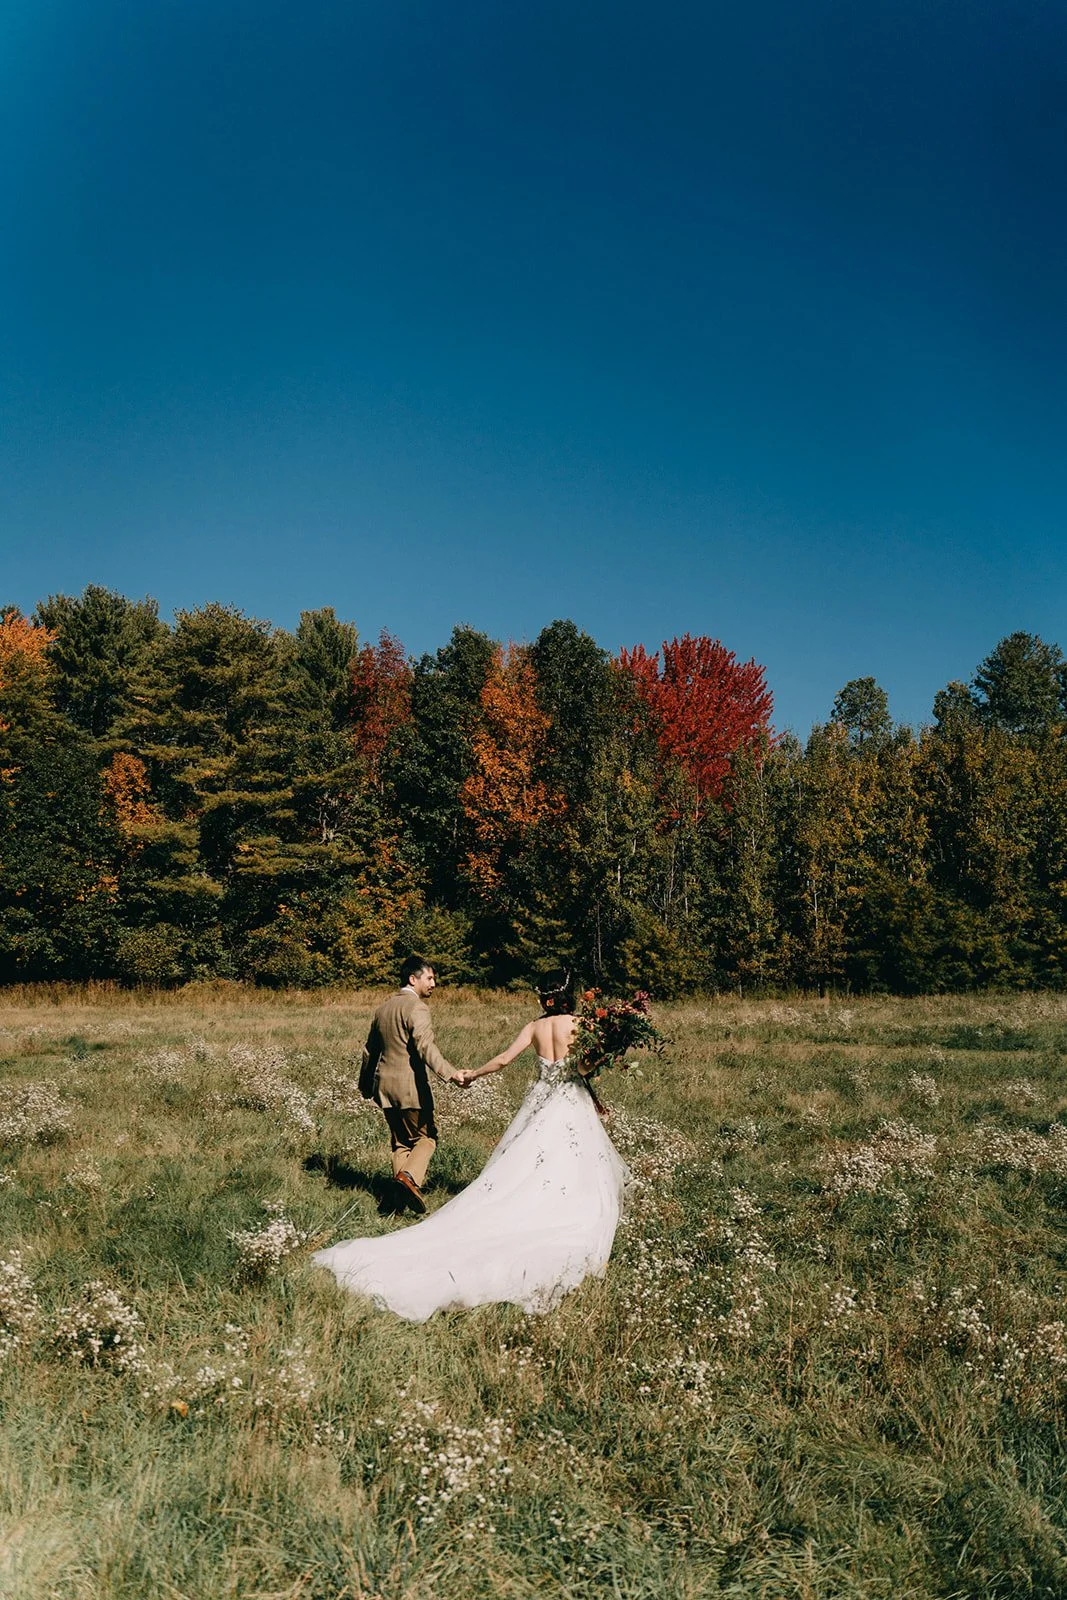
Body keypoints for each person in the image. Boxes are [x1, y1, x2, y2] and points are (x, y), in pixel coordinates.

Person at [312, 969, 631, 1322]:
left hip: (542, 1102)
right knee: (575, 1162)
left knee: (529, 1162)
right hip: (571, 1102)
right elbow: (583, 1067)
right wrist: (606, 1051)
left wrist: (472, 1074)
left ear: (544, 996)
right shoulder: (582, 1025)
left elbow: (504, 1059)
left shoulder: (535, 1027)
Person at [357, 955, 467, 1214]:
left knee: (401, 1144)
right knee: (427, 1138)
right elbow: (425, 1045)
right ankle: (408, 1179)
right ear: (412, 979)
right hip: (410, 1089)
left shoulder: (383, 1008)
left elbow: (369, 1051)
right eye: (429, 978)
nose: (434, 983)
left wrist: (365, 1084)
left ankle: (397, 1202)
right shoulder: (416, 1008)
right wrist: (451, 1074)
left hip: (383, 1088)